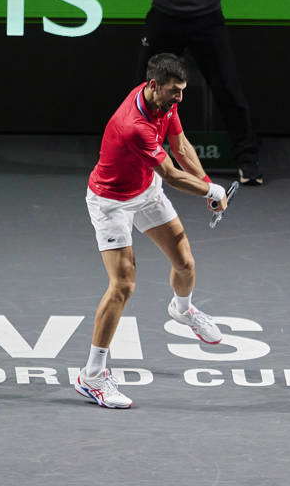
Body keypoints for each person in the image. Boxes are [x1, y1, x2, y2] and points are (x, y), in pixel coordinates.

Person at [76, 53, 229, 409]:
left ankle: (183, 309)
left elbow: (181, 146)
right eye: (174, 91)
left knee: (185, 263)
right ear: (153, 85)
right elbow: (172, 175)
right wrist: (211, 191)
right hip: (110, 202)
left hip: (145, 193)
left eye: (182, 92)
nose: (179, 98)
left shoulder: (164, 103)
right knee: (123, 284)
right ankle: (92, 377)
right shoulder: (135, 125)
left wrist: (206, 181)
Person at [132, 0, 264, 186]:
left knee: (228, 89)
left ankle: (247, 162)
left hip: (208, 22)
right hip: (164, 19)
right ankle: (136, 159)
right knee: (144, 92)